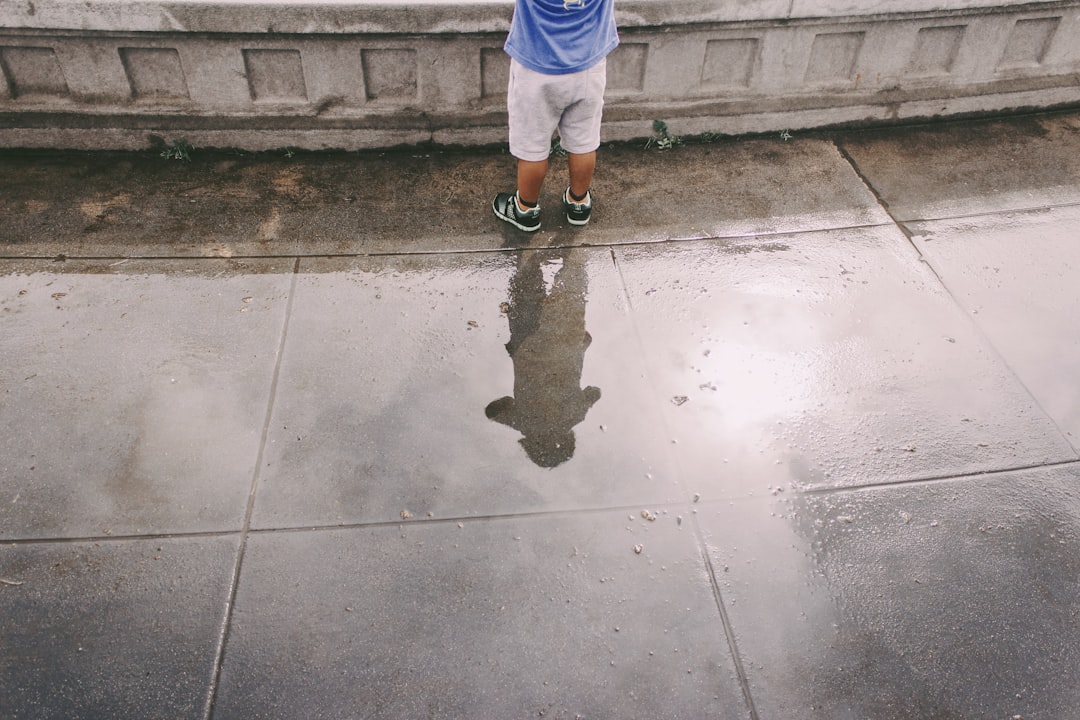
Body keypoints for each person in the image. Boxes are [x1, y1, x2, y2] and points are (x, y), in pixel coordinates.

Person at [492, 0, 619, 232]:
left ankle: (525, 210)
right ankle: (579, 203)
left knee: (532, 145)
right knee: (583, 140)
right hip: (588, 67)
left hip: (535, 68)